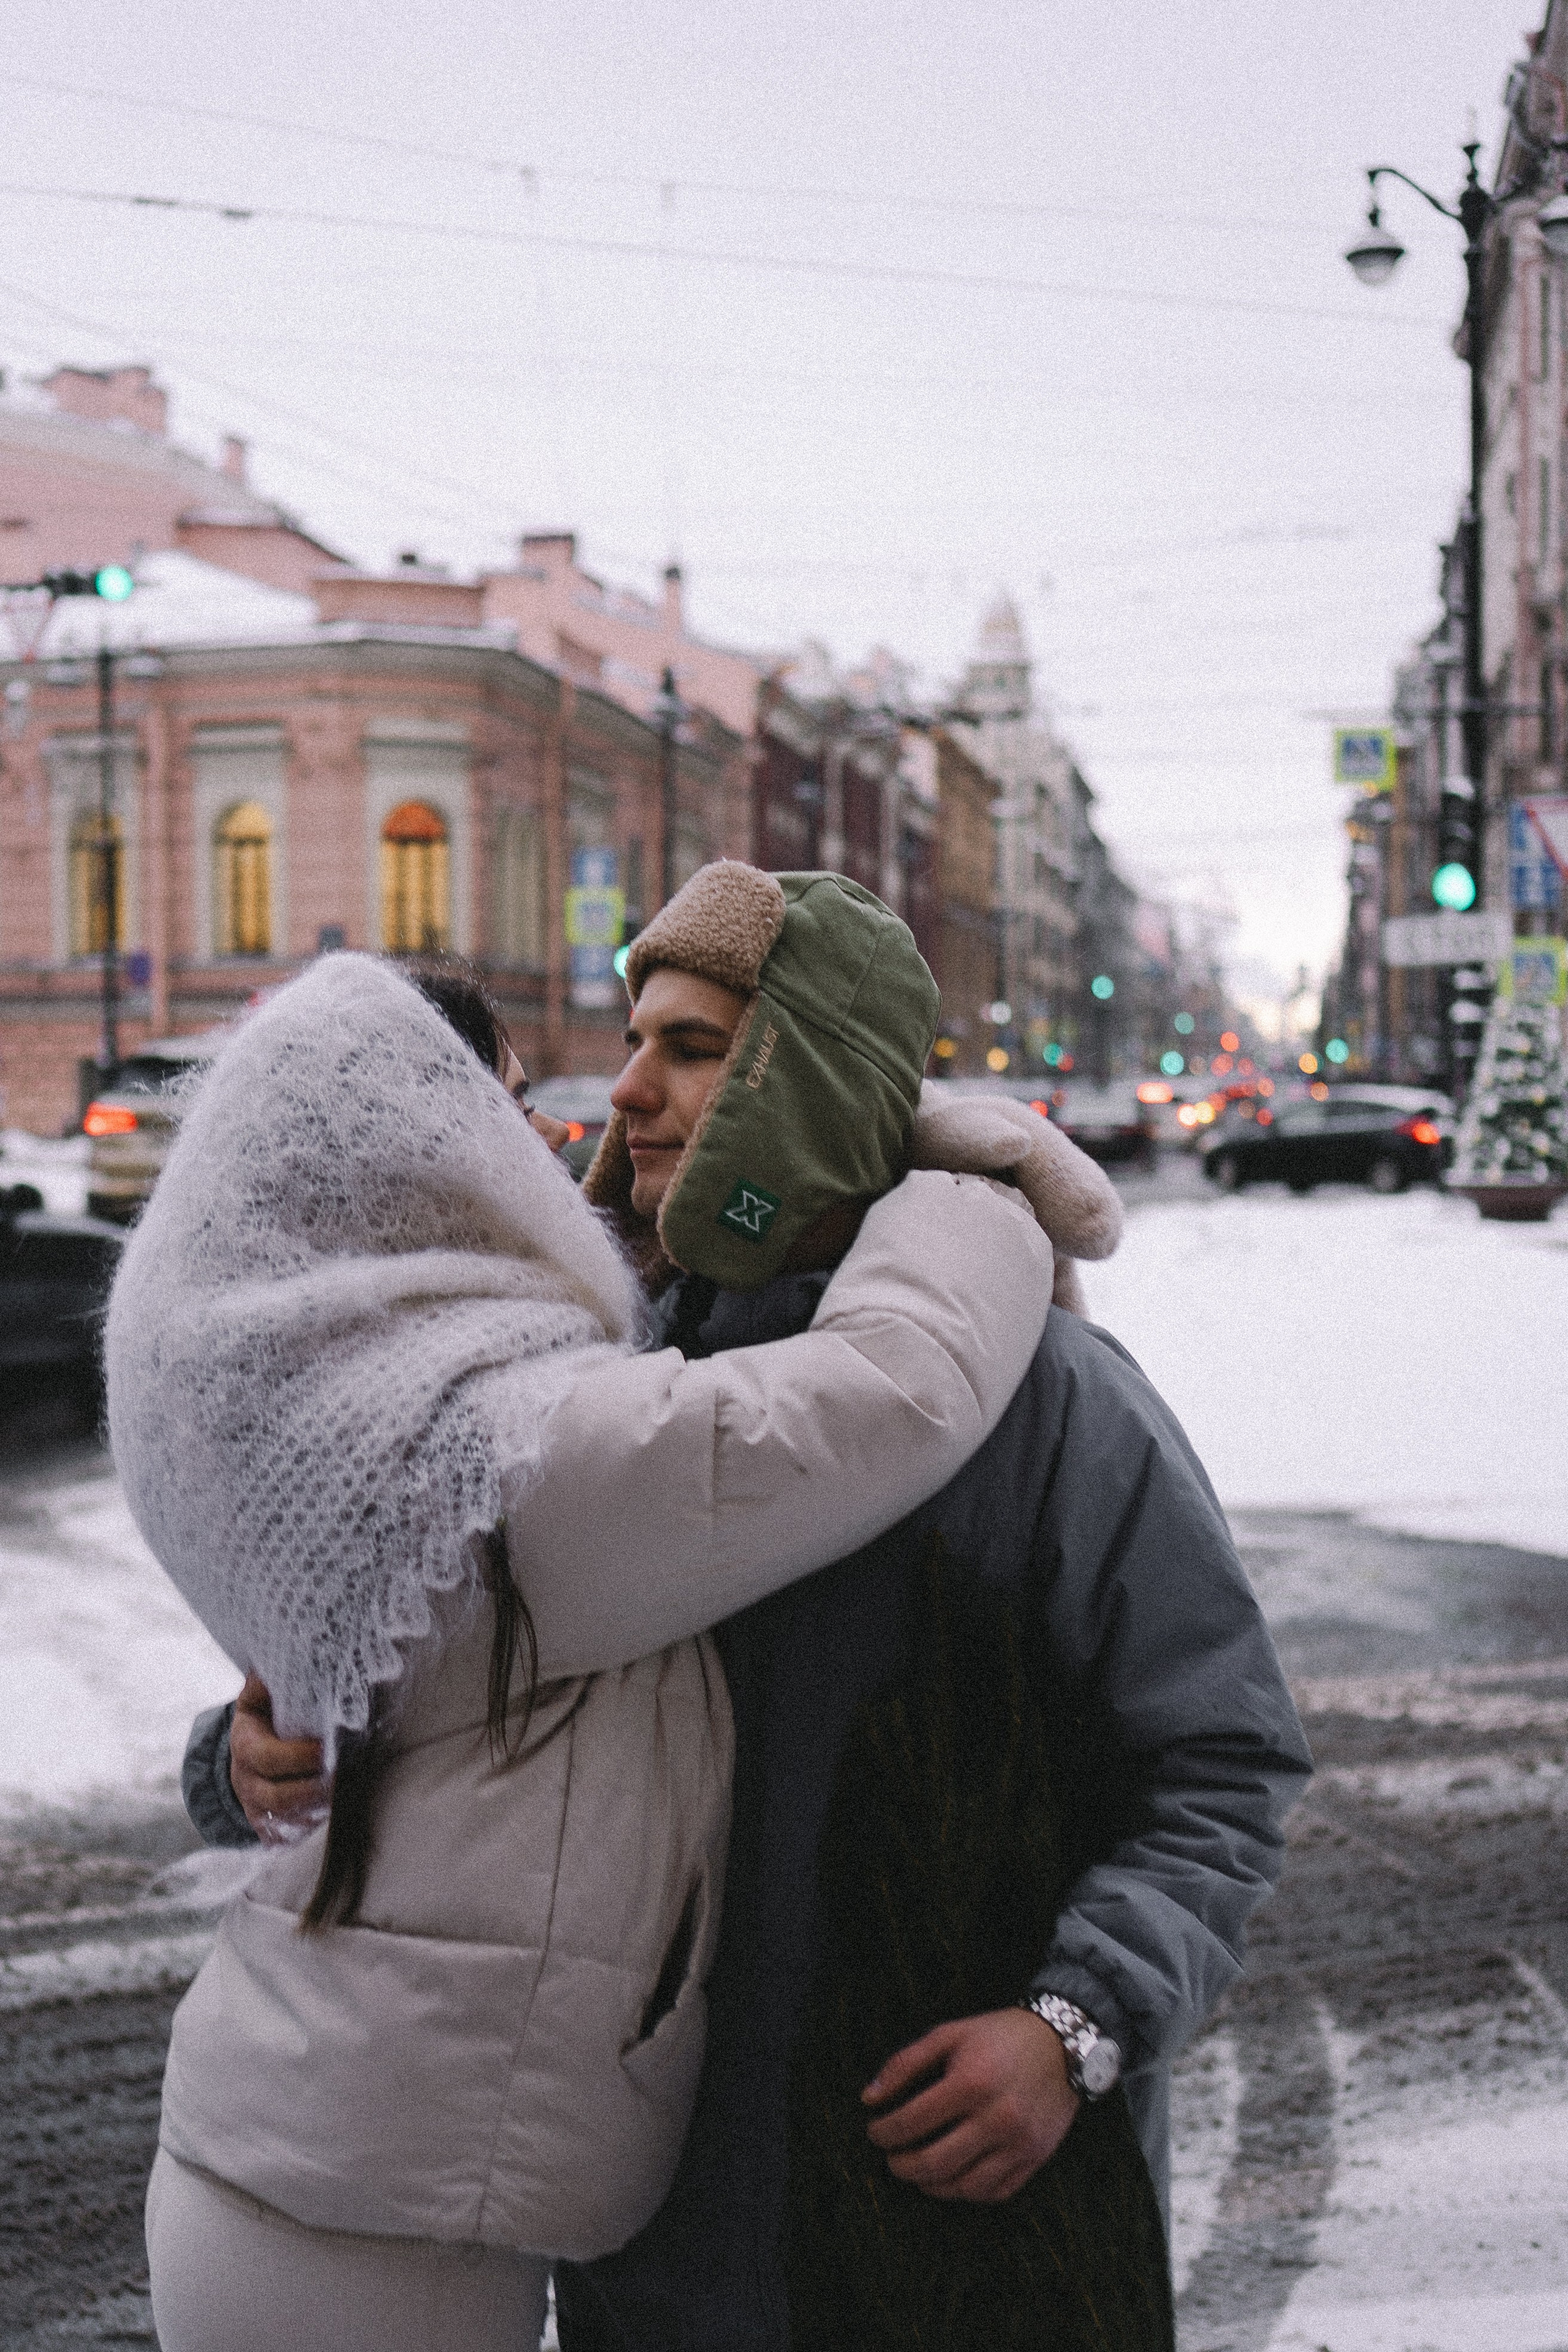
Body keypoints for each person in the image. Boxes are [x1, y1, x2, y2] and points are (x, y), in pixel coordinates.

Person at [184, 870, 1312, 2351]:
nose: (631, 1091)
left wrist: (1070, 2029)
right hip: (654, 2247)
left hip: (968, 2243)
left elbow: (1218, 1763)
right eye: (638, 1040)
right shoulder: (584, 1395)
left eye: (699, 1048)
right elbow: (432, 1689)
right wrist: (246, 1748)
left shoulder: (1052, 1408)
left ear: (817, 1085)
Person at [111, 946, 1058, 2352]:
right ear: (407, 1149)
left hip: (308, 2143)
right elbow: (891, 1390)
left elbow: (355, 1718)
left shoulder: (313, 1393)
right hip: (380, 2216)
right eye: (502, 1120)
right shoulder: (503, 1456)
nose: (551, 1153)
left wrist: (239, 1758)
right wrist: (965, 1189)